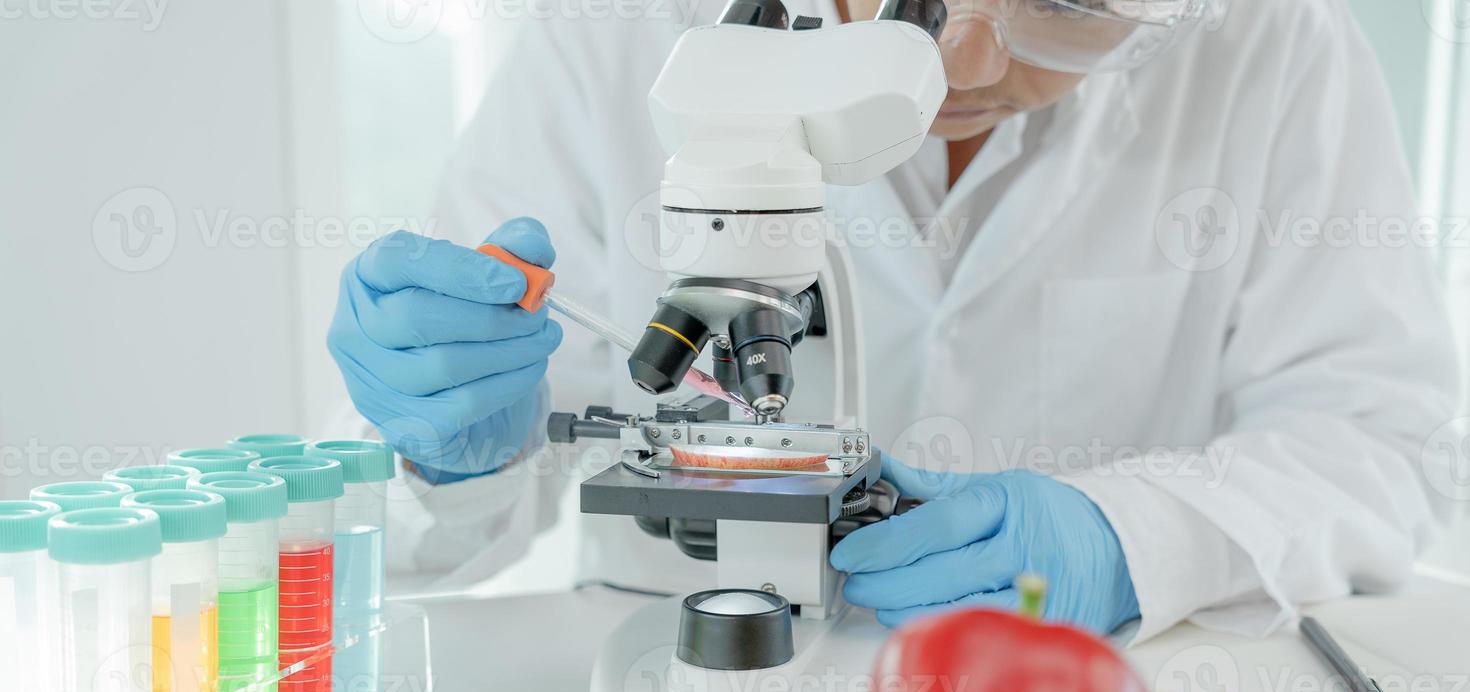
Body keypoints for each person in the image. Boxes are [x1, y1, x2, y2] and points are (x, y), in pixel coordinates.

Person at [327, 0, 1461, 642]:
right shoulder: (619, 34)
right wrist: (449, 438)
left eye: (1064, 4)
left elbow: (1374, 442)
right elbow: (418, 528)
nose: (962, 60)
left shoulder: (1272, 48)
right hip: (677, 661)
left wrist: (1132, 537)